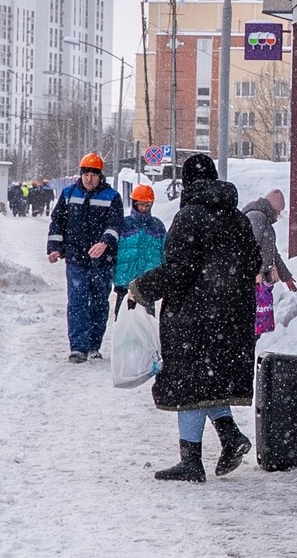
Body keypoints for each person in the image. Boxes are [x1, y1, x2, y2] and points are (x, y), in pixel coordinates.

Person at [127, 152, 262, 482]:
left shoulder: (190, 217)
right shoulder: (238, 219)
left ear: (187, 184)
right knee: (209, 381)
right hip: (231, 318)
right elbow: (253, 263)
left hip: (195, 317)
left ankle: (191, 461)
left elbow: (179, 270)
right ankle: (230, 437)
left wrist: (142, 287)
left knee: (190, 383)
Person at [45, 154, 123, 361]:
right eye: (86, 174)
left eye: (93, 175)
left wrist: (104, 242)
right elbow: (57, 222)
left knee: (99, 303)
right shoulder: (69, 194)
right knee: (77, 302)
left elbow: (115, 225)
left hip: (102, 262)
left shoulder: (112, 197)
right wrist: (54, 247)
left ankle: (94, 345)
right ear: (81, 174)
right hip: (76, 260)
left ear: (100, 176)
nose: (89, 179)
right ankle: (78, 347)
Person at [111, 183, 167, 299]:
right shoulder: (123, 224)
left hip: (148, 283)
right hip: (125, 281)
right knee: (122, 316)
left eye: (147, 205)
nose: (143, 209)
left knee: (146, 316)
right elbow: (113, 251)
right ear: (134, 204)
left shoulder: (158, 226)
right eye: (140, 205)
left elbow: (164, 252)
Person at [242, 186, 296, 286]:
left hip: (259, 279)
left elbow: (273, 252)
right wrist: (255, 271)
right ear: (273, 208)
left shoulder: (263, 219)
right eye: (278, 211)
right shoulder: (257, 217)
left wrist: (286, 277)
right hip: (252, 279)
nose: (278, 214)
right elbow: (250, 247)